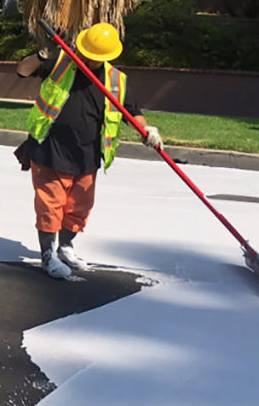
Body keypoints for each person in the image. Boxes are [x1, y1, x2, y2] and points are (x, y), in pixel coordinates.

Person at [14, 22, 162, 279]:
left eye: (95, 58)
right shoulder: (60, 63)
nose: (89, 60)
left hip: (87, 155)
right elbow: (22, 71)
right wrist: (40, 56)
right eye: (86, 54)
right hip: (50, 149)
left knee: (78, 208)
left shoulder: (116, 80)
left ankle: (65, 247)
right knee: (51, 206)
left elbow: (132, 111)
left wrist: (147, 131)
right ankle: (48, 256)